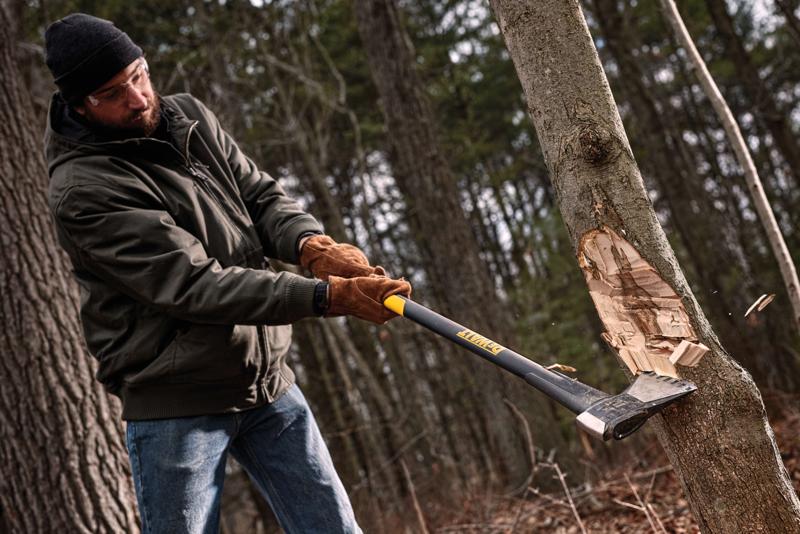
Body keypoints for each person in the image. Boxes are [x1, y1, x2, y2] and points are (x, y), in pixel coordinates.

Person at [43, 13, 411, 534]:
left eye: (139, 75)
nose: (139, 98)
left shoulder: (188, 116)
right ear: (80, 104)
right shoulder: (85, 190)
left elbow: (259, 197)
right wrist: (326, 296)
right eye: (113, 93)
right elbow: (196, 285)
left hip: (266, 383)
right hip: (177, 398)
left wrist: (311, 245)